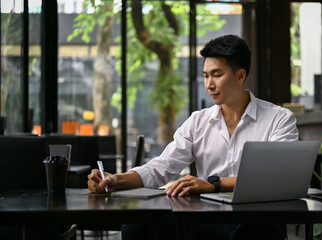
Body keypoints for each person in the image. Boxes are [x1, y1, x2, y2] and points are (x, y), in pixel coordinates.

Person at [88, 34, 298, 239]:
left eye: (217, 75)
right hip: (209, 216)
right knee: (137, 225)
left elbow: (275, 178)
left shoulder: (279, 119)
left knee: (254, 230)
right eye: (206, 75)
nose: (209, 84)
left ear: (240, 76)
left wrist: (213, 184)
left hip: (257, 217)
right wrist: (115, 179)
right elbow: (162, 167)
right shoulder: (198, 121)